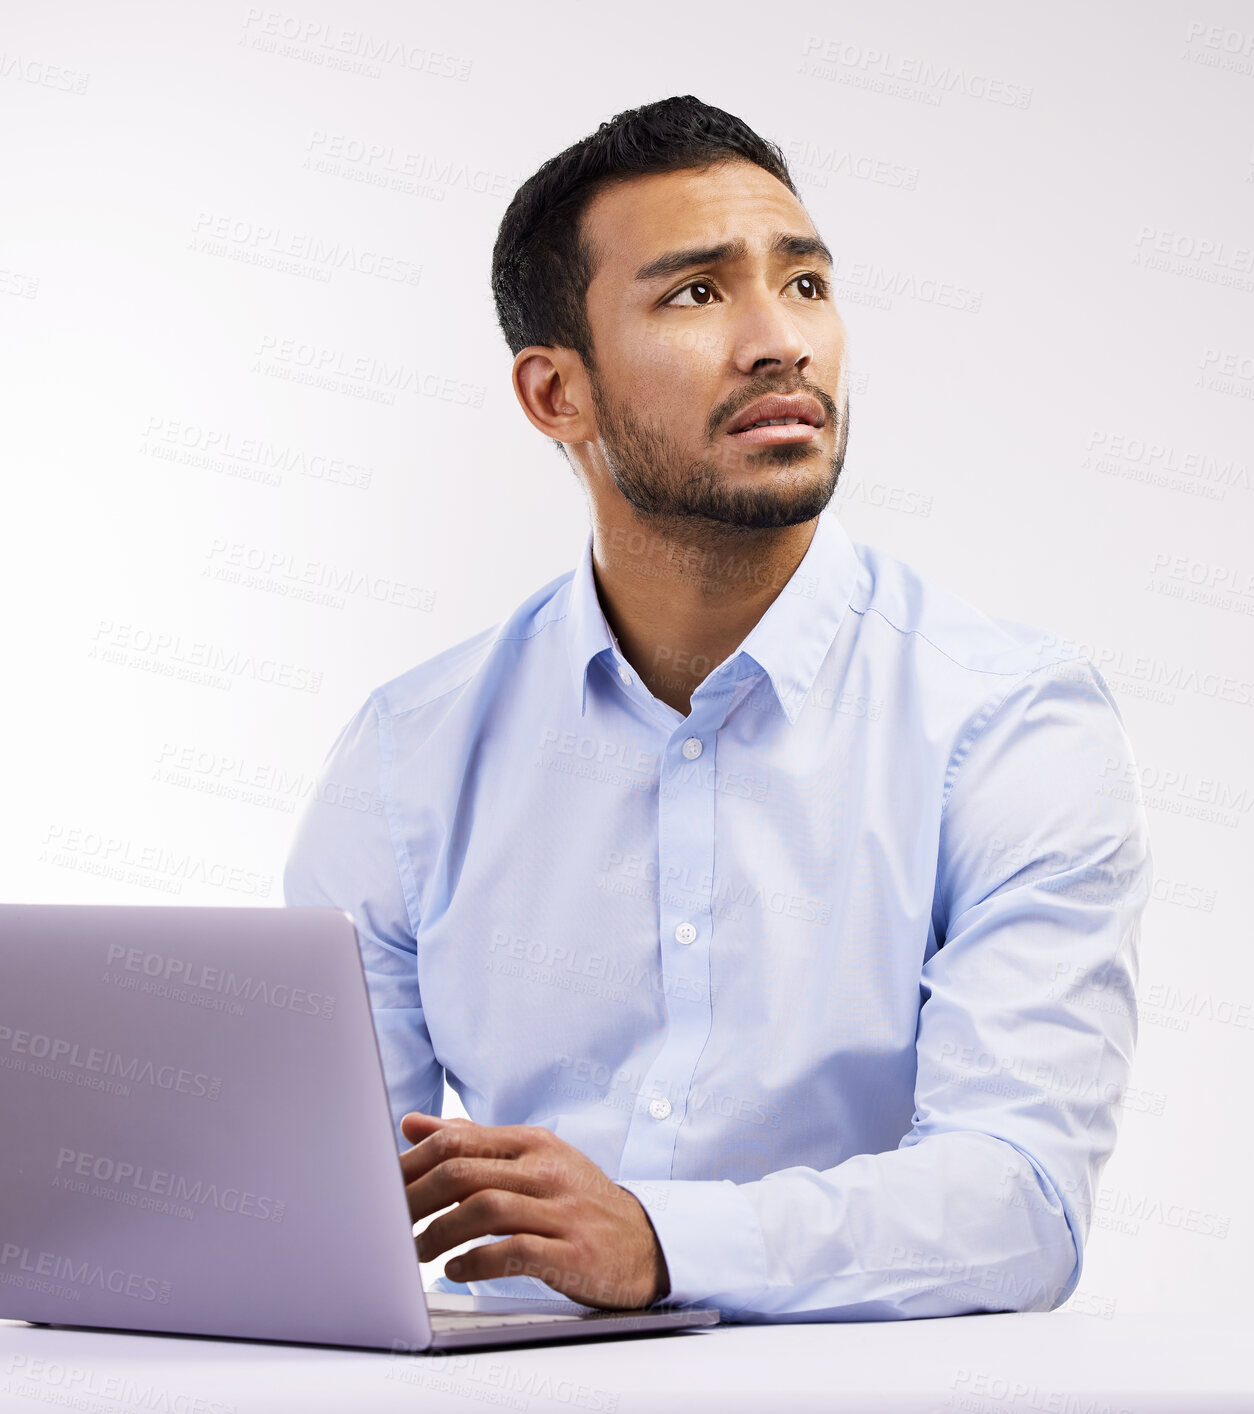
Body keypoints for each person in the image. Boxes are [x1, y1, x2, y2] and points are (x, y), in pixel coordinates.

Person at [283, 95, 1152, 1321]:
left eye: (803, 285)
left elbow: (1019, 1205)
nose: (778, 342)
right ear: (554, 395)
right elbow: (315, 1205)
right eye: (696, 295)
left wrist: (657, 1239)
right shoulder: (408, 752)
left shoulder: (1009, 722)